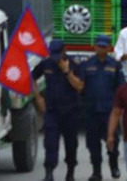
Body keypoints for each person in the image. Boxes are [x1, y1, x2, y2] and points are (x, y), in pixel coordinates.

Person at [33, 39, 85, 181]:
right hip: (52, 111)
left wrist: (67, 71)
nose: (55, 58)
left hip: (70, 111)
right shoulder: (46, 64)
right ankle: (49, 173)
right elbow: (31, 78)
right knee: (50, 142)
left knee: (71, 144)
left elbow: (79, 86)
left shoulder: (74, 65)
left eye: (58, 54)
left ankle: (70, 172)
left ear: (64, 51)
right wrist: (38, 98)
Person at [81, 34, 124, 181]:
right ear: (95, 47)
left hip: (109, 111)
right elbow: (81, 87)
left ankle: (114, 166)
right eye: (99, 46)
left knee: (113, 142)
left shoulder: (115, 65)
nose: (101, 48)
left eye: (104, 46)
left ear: (109, 48)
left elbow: (121, 88)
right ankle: (96, 171)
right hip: (91, 110)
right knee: (93, 144)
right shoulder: (87, 65)